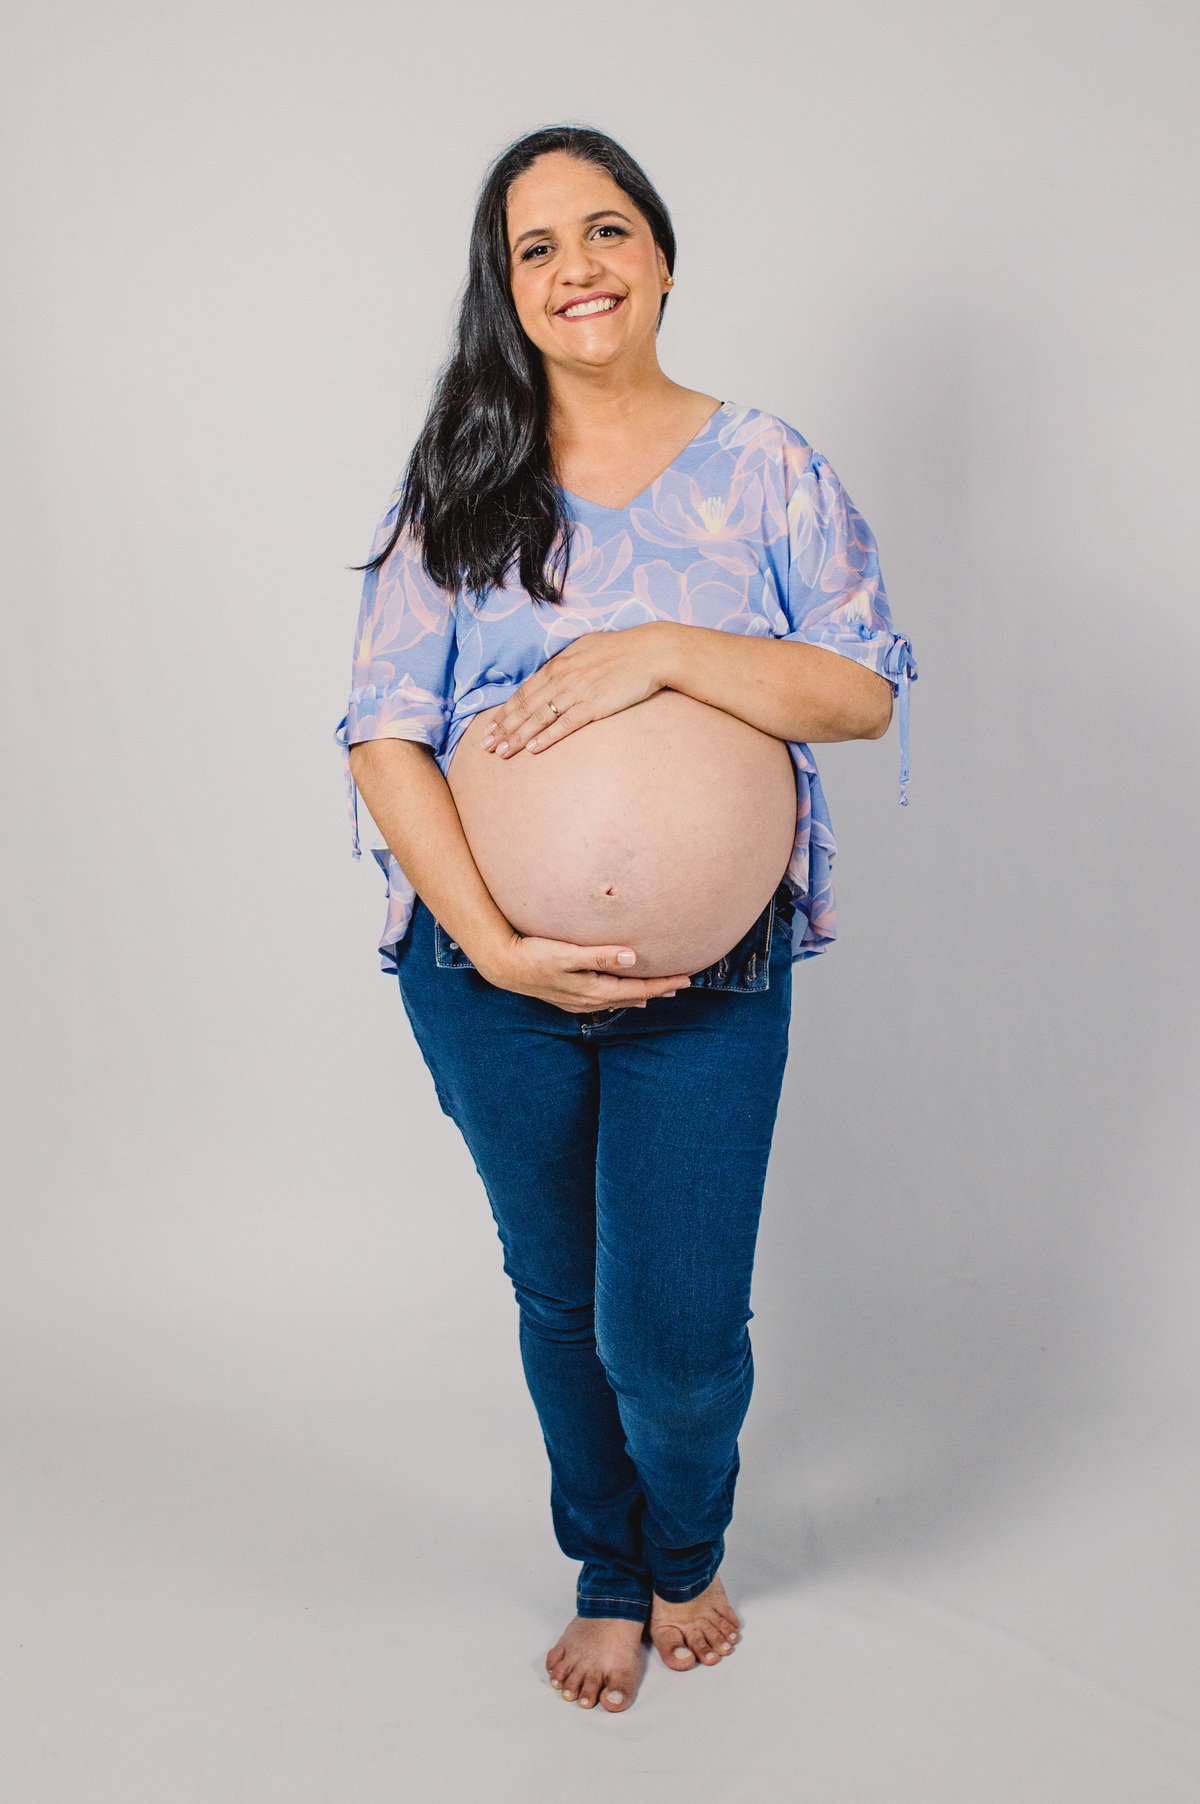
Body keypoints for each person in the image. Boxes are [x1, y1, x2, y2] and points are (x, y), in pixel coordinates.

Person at [338, 125, 915, 1714]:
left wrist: (664, 644)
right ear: (505, 290)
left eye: (605, 231)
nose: (577, 268)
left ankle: (689, 1536)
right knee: (561, 1293)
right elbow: (385, 731)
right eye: (537, 249)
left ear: (660, 254)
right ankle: (614, 1565)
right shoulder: (463, 482)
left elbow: (861, 688)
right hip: (484, 968)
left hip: (709, 977)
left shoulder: (767, 465)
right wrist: (503, 940)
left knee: (674, 1335)